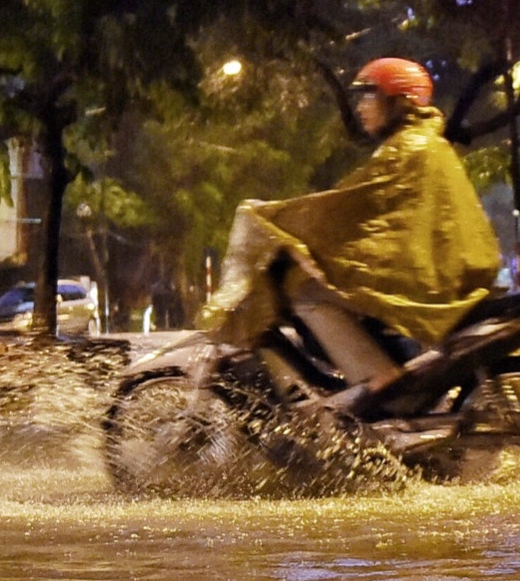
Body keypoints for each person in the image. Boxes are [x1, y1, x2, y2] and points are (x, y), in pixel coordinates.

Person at [207, 58, 502, 382]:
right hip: (442, 271)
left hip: (432, 277)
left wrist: (278, 219)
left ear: (398, 101)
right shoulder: (422, 142)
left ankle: (377, 382)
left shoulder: (409, 148)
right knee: (328, 282)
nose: (361, 108)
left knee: (305, 292)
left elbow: (348, 207)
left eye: (369, 96)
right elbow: (359, 208)